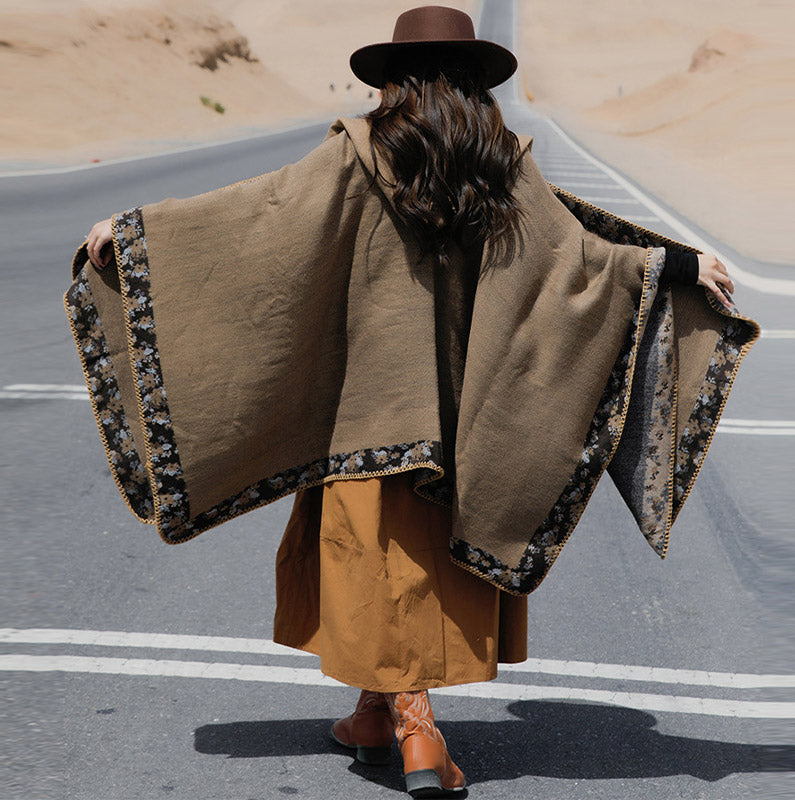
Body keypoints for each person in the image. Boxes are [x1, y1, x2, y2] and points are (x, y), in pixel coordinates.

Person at [76, 6, 757, 798]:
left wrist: (133, 235)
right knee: (398, 574)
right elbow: (581, 257)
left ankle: (415, 729)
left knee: (373, 563)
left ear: (393, 80)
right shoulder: (502, 165)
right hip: (464, 419)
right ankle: (372, 714)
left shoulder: (358, 154)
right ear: (475, 80)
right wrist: (675, 264)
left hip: (364, 417)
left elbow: (256, 219)